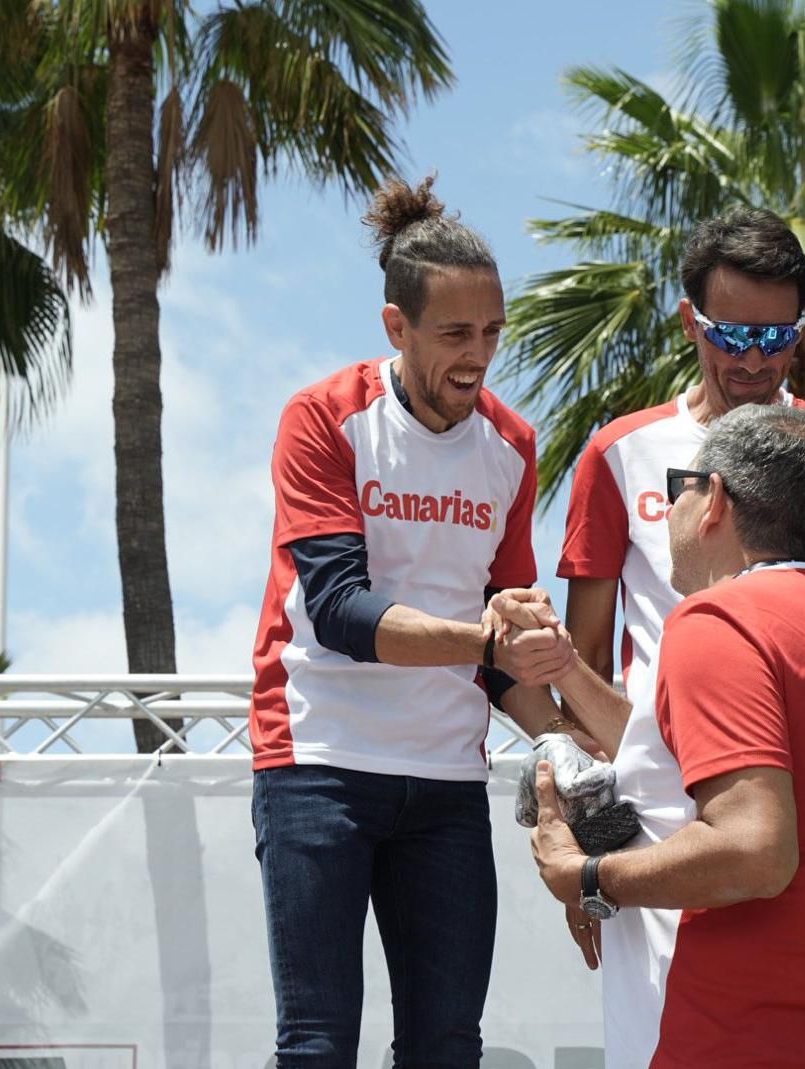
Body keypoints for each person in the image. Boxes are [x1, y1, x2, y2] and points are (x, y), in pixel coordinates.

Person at [247, 175, 584, 1068]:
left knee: (446, 1046)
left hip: (445, 782)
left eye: (493, 331)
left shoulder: (511, 444)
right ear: (396, 326)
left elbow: (505, 655)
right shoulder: (323, 417)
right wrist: (486, 639)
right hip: (318, 763)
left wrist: (567, 747)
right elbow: (339, 611)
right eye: (455, 334)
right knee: (317, 1045)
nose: (479, 356)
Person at [516, 404, 805, 1067]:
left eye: (681, 486)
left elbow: (753, 849)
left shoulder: (719, 620)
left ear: (714, 500)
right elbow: (670, 753)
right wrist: (566, 668)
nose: (671, 509)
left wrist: (586, 876)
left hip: (731, 1032)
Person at [556, 207, 805, 899]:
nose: (754, 361)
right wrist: (586, 835)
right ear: (689, 322)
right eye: (731, 335)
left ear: (800, 329)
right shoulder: (620, 453)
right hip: (654, 799)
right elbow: (587, 656)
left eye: (775, 337)